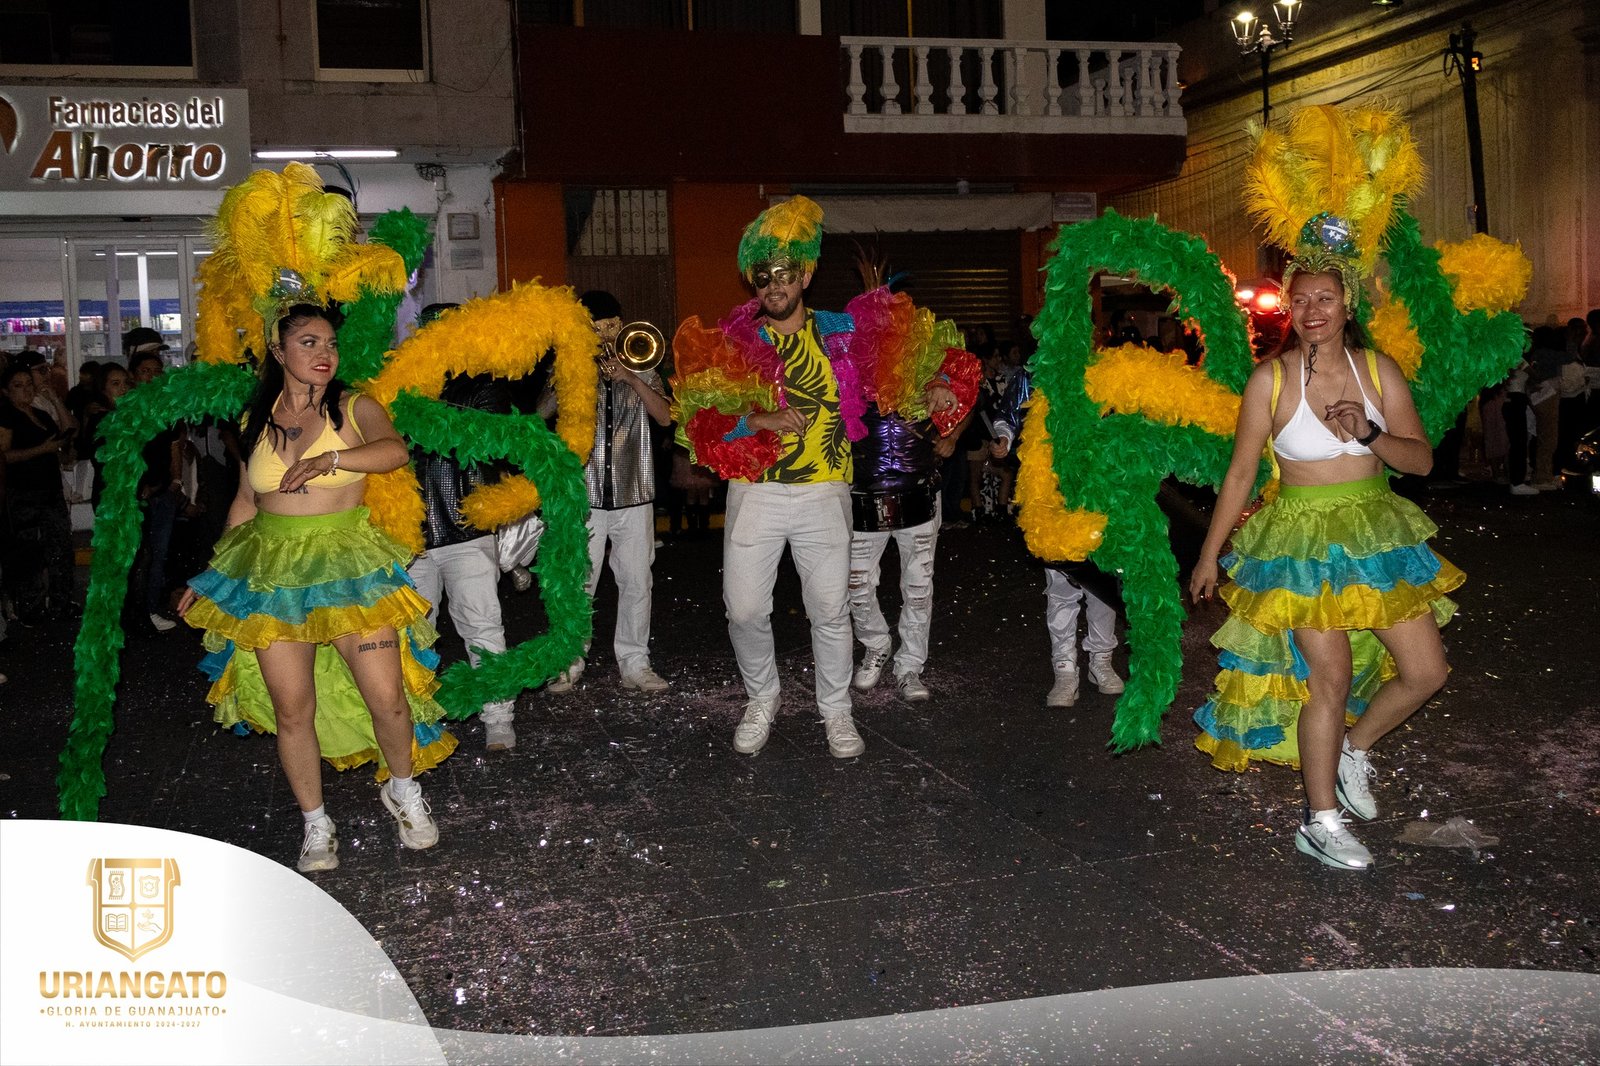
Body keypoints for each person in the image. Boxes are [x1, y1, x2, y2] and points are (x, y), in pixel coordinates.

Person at [1189, 267, 1459, 871]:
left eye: (1326, 298)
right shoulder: (1271, 379)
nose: (1313, 310)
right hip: (1302, 545)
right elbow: (1240, 472)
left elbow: (1419, 461)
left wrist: (1370, 432)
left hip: (1374, 537)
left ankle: (1352, 751)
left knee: (1427, 671)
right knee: (1329, 678)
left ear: (1347, 305)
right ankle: (1320, 821)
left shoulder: (1378, 371)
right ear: (1289, 309)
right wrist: (1209, 554)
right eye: (1301, 300)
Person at [671, 196, 960, 758]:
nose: (773, 286)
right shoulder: (736, 341)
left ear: (805, 275)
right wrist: (756, 419)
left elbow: (909, 363)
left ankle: (836, 710)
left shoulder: (842, 332)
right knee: (744, 610)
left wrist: (935, 384)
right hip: (756, 493)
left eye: (784, 274)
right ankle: (763, 698)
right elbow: (698, 421)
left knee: (829, 610)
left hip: (825, 492)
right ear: (752, 281)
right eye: (762, 276)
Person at [179, 304, 454, 874]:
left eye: (330, 343)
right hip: (272, 576)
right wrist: (211, 578)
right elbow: (246, 501)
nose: (324, 353)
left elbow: (394, 451)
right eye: (308, 342)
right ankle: (316, 823)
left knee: (387, 697)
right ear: (277, 351)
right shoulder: (255, 419)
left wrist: (331, 457)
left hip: (350, 569)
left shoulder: (354, 406)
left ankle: (404, 791)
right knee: (293, 709)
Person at [541, 290, 672, 694]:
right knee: (580, 581)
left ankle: (635, 663)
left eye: (612, 324)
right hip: (585, 495)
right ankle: (570, 660)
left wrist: (631, 378)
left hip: (635, 492)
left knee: (637, 581)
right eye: (598, 326)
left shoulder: (642, 361)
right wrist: (571, 374)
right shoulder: (570, 363)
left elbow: (665, 417)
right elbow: (541, 412)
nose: (606, 333)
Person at [406, 303, 521, 751]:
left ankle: (498, 716)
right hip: (411, 533)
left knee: (482, 626)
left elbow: (483, 437)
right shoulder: (402, 385)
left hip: (466, 527)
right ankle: (417, 719)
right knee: (414, 631)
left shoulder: (484, 382)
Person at [990, 365, 1126, 707]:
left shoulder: (1105, 370)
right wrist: (1004, 438)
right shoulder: (1034, 374)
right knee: (1061, 589)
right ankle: (1064, 669)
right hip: (1050, 495)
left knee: (1102, 584)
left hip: (1098, 493)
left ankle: (1101, 661)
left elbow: (1125, 422)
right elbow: (1008, 415)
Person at [848, 365, 972, 703]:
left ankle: (910, 665)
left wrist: (953, 436)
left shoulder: (928, 356)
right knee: (856, 584)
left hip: (919, 492)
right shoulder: (848, 354)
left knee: (918, 588)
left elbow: (969, 397)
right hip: (863, 494)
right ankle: (876, 644)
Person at [0, 361, 75, 619]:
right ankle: (30, 607)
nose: (26, 390)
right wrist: (41, 450)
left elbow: (68, 429)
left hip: (50, 489)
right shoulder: (7, 416)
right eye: (18, 386)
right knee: (28, 550)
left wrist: (53, 397)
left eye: (28, 384)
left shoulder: (40, 415)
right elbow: (4, 456)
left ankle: (60, 602)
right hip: (23, 492)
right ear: (6, 391)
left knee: (60, 546)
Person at [127, 348, 187, 631]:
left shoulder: (168, 406)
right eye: (145, 372)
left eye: (156, 371)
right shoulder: (127, 408)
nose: (151, 377)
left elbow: (175, 446)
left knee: (159, 553)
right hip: (135, 494)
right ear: (133, 376)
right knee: (137, 555)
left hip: (163, 490)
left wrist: (176, 481)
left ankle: (150, 609)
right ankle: (133, 614)